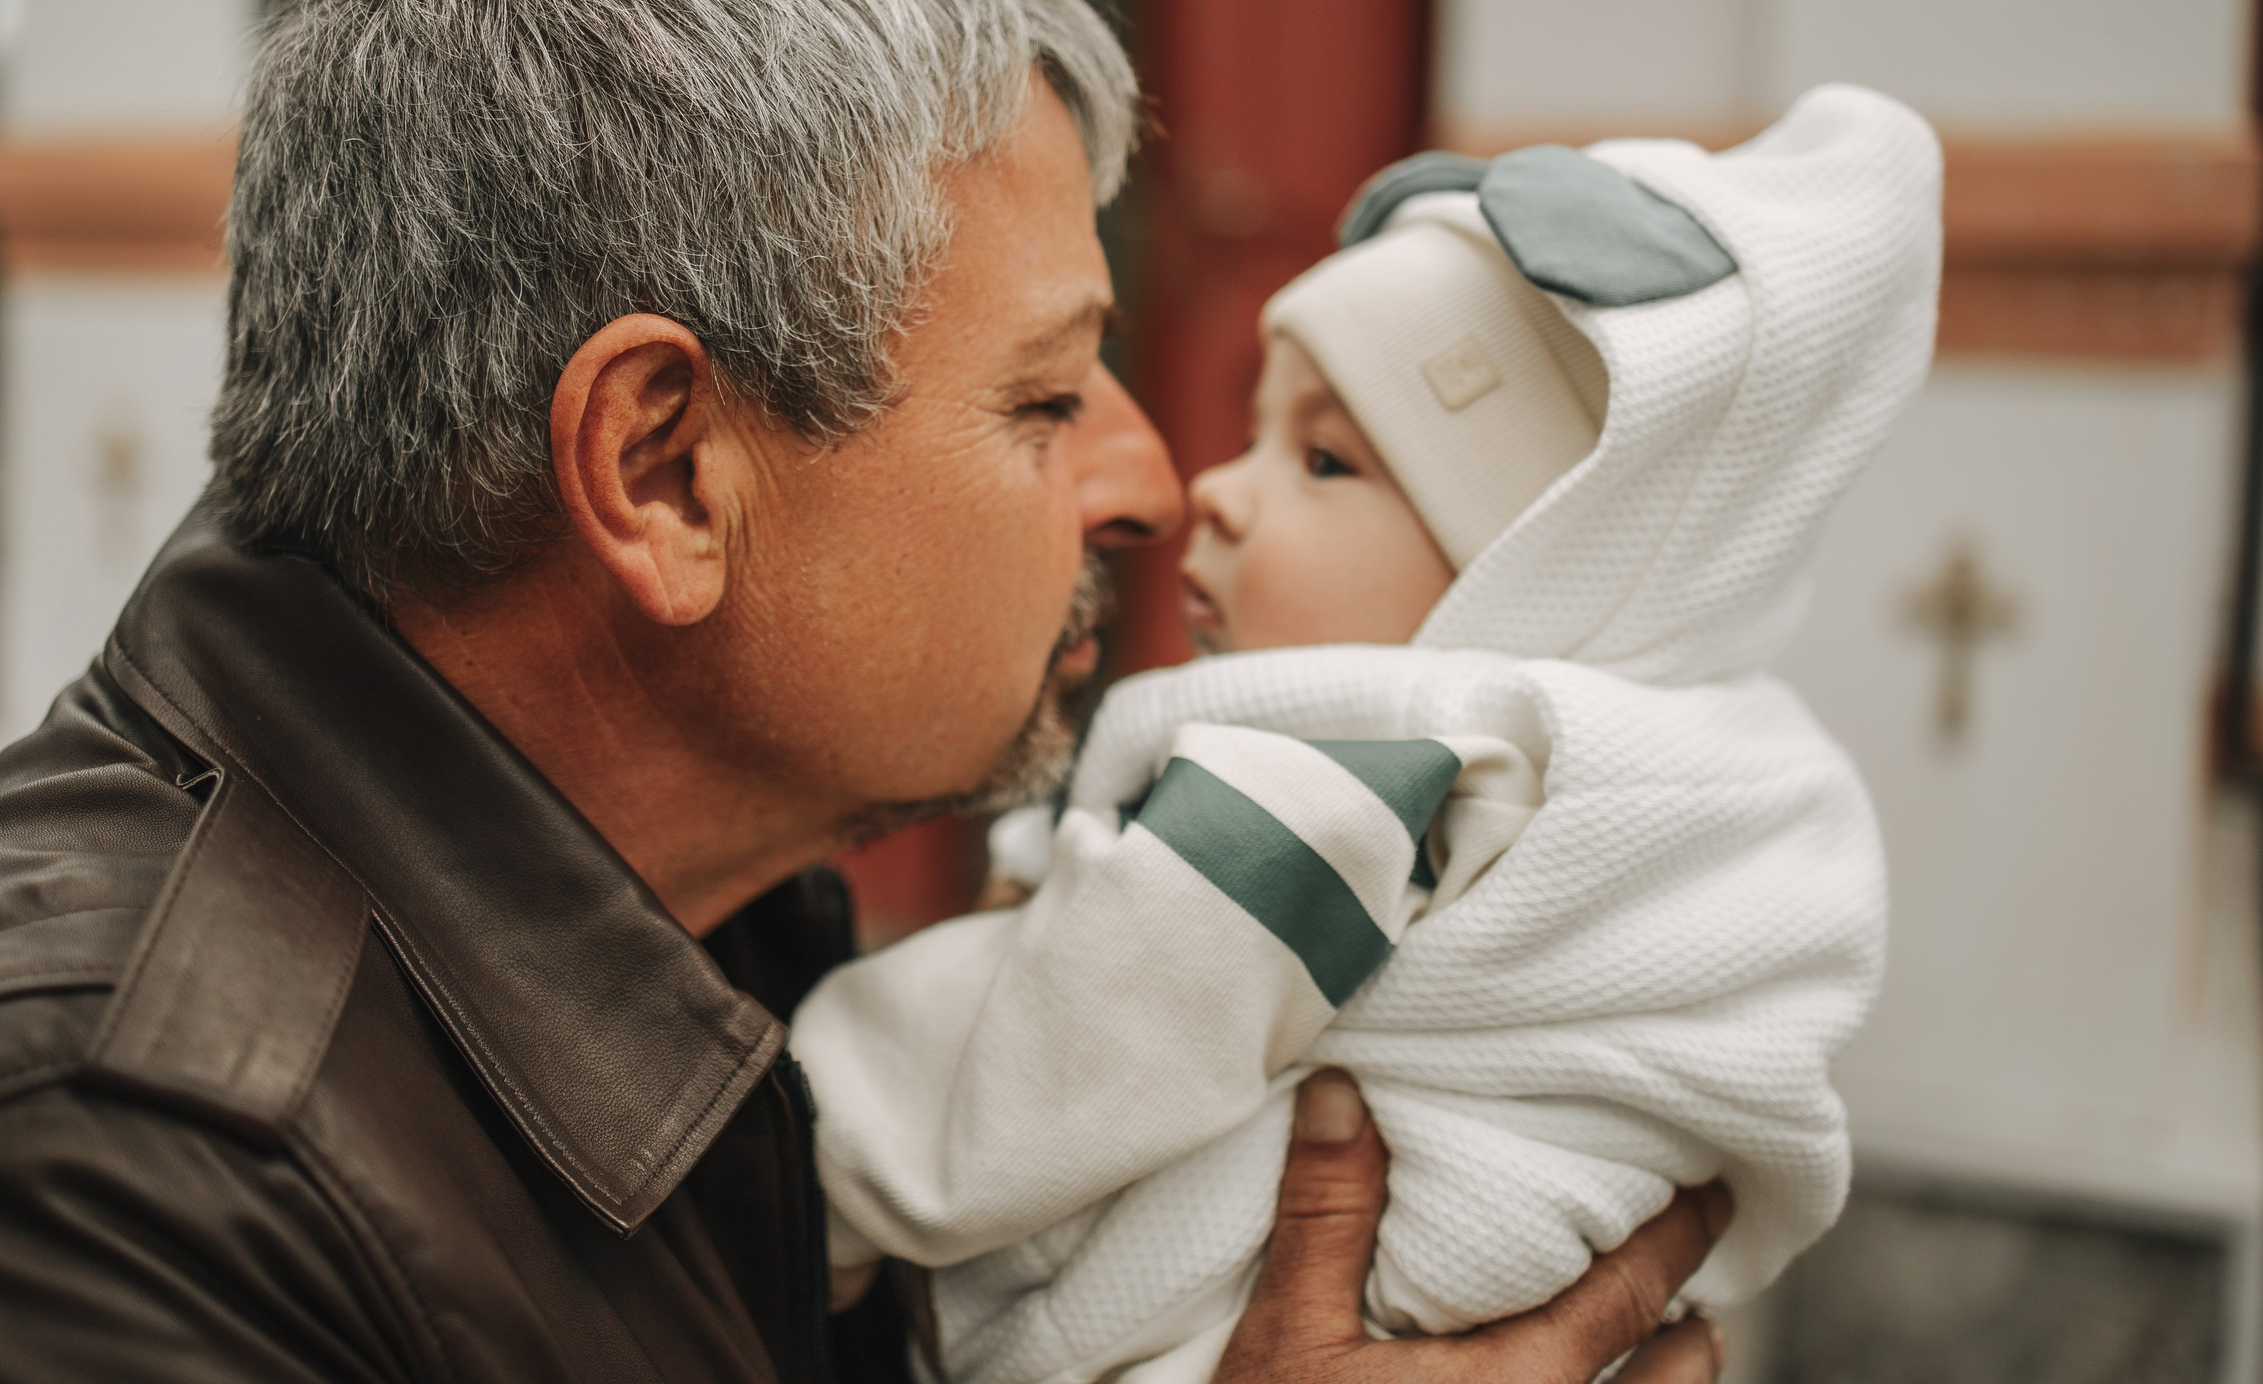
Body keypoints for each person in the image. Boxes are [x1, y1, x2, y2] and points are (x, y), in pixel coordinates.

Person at [0, 0, 1725, 1382]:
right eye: (1042, 394)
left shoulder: (708, 904)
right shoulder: (73, 1179)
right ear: (661, 470)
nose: (1140, 478)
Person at [793, 87, 1942, 1382]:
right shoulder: (1732, 774)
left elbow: (1093, 1028)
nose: (1218, 491)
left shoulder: (1365, 763)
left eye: (1324, 464)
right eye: (1257, 431)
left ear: (1527, 570)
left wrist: (831, 1144)